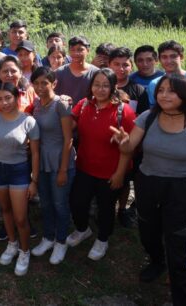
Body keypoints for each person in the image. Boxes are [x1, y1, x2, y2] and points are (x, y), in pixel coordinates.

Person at [112, 74, 186, 306]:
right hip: (147, 183)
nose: (164, 95)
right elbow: (129, 147)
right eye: (161, 90)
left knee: (179, 246)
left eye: (172, 91)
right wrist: (123, 141)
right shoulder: (148, 118)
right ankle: (157, 261)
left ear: (185, 95)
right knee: (148, 232)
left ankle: (182, 297)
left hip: (179, 189)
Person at [67, 69, 137, 261]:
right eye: (97, 84)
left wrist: (120, 174)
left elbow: (129, 148)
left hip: (111, 172)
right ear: (91, 86)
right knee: (77, 203)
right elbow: (69, 124)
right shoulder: (83, 105)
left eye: (106, 85)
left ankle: (103, 239)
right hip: (84, 167)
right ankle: (82, 230)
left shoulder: (125, 112)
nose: (100, 89)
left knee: (106, 209)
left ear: (114, 87)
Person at [0, 82, 41, 276]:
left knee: (21, 217)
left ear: (17, 98)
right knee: (5, 210)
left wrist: (34, 181)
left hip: (19, 171)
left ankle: (25, 251)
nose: (4, 102)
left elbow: (35, 153)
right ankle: (12, 243)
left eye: (8, 98)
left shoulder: (28, 121)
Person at [29, 67, 75, 265]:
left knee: (60, 204)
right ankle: (48, 237)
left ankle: (61, 240)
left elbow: (68, 140)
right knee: (46, 203)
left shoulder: (61, 105)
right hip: (42, 161)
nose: (40, 87)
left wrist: (63, 169)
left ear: (53, 83)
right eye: (36, 83)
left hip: (60, 160)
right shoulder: (37, 104)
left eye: (44, 83)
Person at [108, 47, 149, 229]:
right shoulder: (102, 85)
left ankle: (122, 209)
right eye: (116, 64)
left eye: (125, 64)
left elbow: (143, 118)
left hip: (131, 144)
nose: (120, 68)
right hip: (106, 143)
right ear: (109, 65)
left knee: (125, 179)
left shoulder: (138, 90)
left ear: (131, 66)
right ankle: (104, 207)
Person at [146, 41, 186, 106]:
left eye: (173, 56)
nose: (169, 61)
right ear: (159, 59)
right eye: (164, 57)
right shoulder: (154, 84)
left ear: (181, 57)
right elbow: (154, 110)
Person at [55, 36, 99, 105]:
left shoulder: (96, 73)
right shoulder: (59, 72)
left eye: (80, 50)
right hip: (64, 114)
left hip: (87, 113)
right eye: (72, 50)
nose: (76, 53)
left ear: (88, 51)